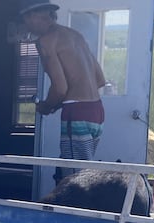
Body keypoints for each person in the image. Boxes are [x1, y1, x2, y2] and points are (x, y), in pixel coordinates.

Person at [19, 0, 107, 183]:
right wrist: (58, 104)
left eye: (24, 20)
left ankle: (76, 212)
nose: (25, 25)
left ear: (33, 16)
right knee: (82, 171)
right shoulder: (76, 36)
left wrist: (46, 106)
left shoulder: (46, 41)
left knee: (77, 180)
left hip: (77, 114)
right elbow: (100, 79)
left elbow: (60, 88)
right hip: (96, 112)